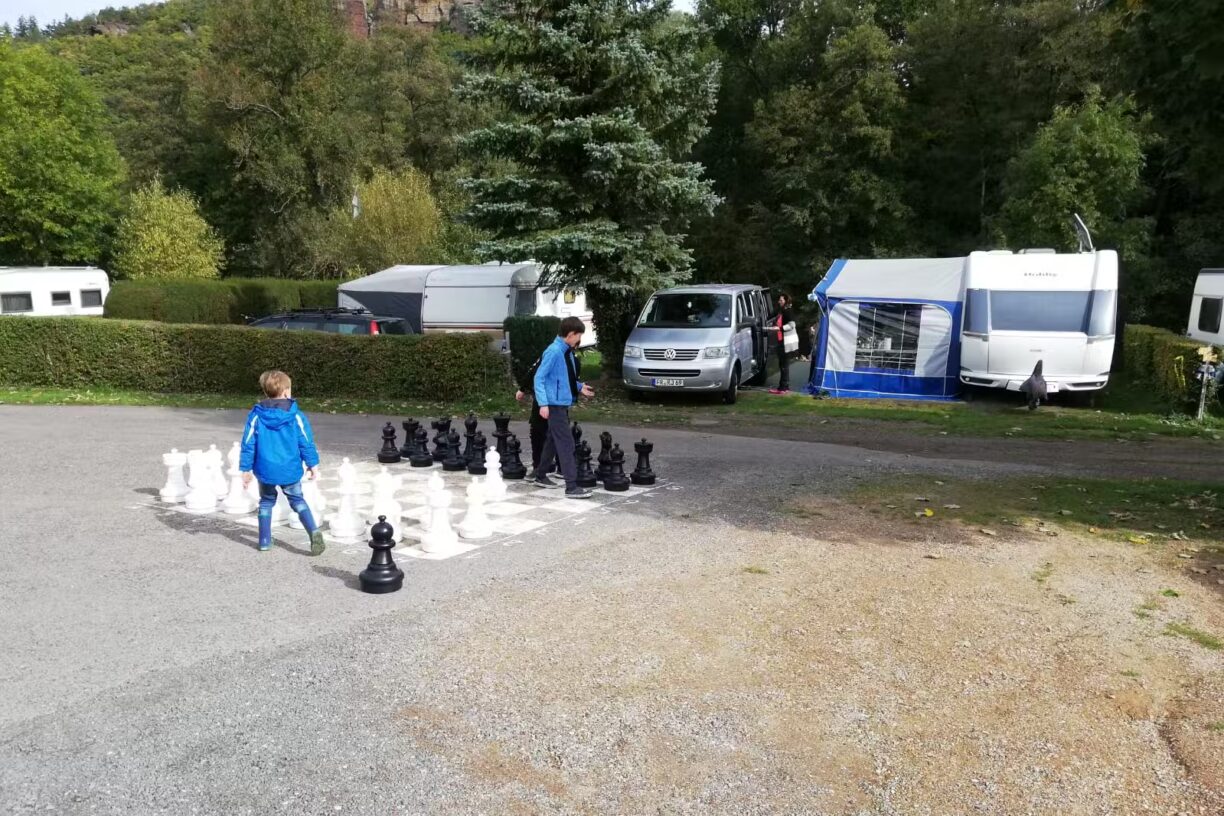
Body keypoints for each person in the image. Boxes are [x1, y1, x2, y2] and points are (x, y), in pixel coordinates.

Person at [239, 370, 326, 554]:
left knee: (266, 501)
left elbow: (248, 443)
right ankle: (313, 531)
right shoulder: (296, 416)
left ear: (265, 392)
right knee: (297, 499)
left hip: (265, 469)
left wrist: (245, 469)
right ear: (286, 392)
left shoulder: (256, 415)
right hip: (289, 469)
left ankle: (264, 541)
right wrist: (312, 464)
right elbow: (306, 441)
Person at [533, 317, 595, 498]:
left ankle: (540, 475)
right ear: (570, 334)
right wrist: (543, 404)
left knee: (553, 439)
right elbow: (539, 378)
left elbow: (564, 377)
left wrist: (579, 387)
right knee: (566, 443)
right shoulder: (554, 352)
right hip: (554, 405)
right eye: (579, 336)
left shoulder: (565, 352)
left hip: (560, 403)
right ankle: (571, 487)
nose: (579, 340)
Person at [515, 349, 583, 478]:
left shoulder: (573, 360)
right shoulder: (551, 353)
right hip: (543, 398)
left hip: (558, 400)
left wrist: (577, 390)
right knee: (540, 431)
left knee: (558, 433)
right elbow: (536, 371)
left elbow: (572, 380)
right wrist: (523, 388)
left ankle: (560, 467)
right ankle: (540, 467)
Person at [771, 293, 796, 393]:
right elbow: (774, 318)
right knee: (783, 364)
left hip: (786, 342)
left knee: (784, 365)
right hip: (781, 340)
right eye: (779, 300)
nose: (779, 302)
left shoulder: (788, 311)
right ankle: (784, 387)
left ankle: (783, 388)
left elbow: (792, 325)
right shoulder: (781, 311)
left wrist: (780, 328)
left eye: (781, 300)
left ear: (786, 301)